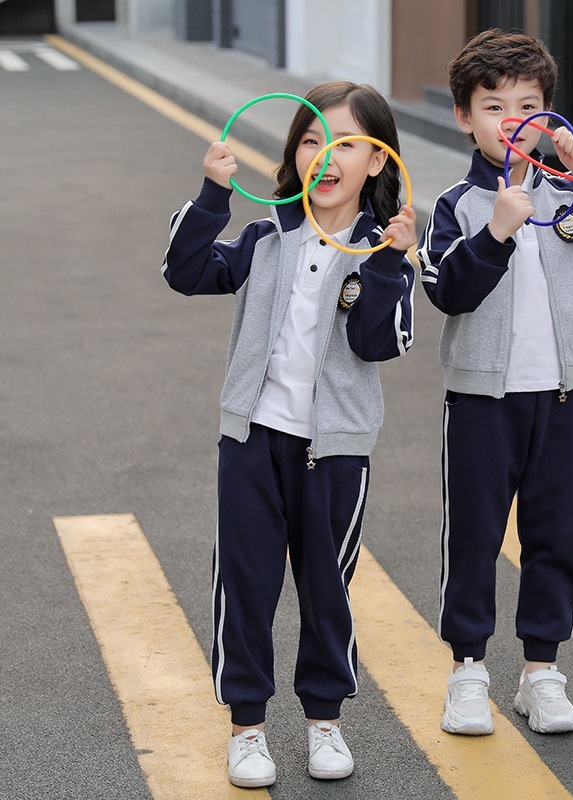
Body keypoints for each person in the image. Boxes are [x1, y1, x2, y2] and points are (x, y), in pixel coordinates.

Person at [162, 81, 416, 786]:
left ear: (379, 163)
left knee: (326, 587)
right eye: (311, 140)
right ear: (293, 154)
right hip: (251, 442)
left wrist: (393, 262)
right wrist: (214, 195)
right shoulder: (265, 237)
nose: (326, 156)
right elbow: (185, 272)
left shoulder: (384, 251)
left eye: (348, 144)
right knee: (244, 583)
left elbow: (376, 341)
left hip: (333, 454)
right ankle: (247, 727)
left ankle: (324, 721)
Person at [417, 29, 573, 737]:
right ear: (465, 117)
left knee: (555, 534)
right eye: (494, 106)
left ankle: (541, 673)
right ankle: (467, 670)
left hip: (565, 399)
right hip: (481, 404)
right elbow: (447, 292)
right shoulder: (458, 204)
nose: (512, 120)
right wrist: (495, 231)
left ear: (549, 115)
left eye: (528, 105)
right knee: (474, 536)